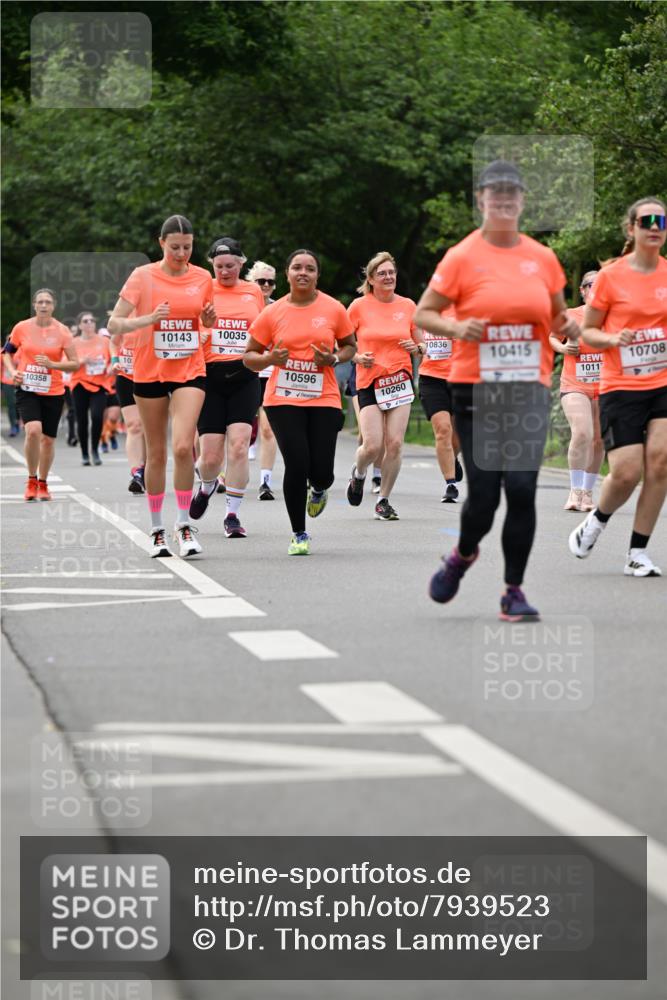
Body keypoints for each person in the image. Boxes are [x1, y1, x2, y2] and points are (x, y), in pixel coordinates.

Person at [414, 160, 579, 621]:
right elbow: (426, 314)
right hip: (475, 390)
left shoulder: (542, 258)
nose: (504, 200)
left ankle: (513, 591)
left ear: (523, 202)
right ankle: (463, 554)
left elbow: (558, 316)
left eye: (513, 193)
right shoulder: (462, 256)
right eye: (495, 192)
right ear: (482, 200)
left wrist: (579, 327)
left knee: (523, 489)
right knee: (484, 497)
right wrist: (455, 324)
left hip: (527, 389)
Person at [569, 197, 667, 577]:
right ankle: (597, 520)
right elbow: (589, 329)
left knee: (659, 463)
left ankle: (637, 553)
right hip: (621, 385)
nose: (655, 226)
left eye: (661, 220)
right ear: (632, 229)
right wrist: (611, 340)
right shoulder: (610, 277)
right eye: (647, 221)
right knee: (626, 472)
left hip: (661, 381)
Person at [107, 214, 215, 558]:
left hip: (189, 368)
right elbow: (114, 322)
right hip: (149, 370)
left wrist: (208, 322)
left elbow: (204, 320)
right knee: (156, 453)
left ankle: (183, 525)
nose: (181, 253)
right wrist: (148, 319)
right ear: (161, 244)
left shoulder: (203, 277)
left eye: (187, 247)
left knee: (183, 447)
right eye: (175, 248)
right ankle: (156, 530)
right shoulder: (143, 276)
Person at [243, 249, 356, 554]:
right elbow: (249, 357)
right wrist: (269, 357)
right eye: (297, 267)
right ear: (287, 273)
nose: (303, 272)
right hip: (282, 398)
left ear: (317, 275)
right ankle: (299, 534)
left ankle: (319, 489)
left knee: (322, 472)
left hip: (324, 397)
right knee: (296, 462)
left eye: (309, 268)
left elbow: (349, 346)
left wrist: (333, 358)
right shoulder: (272, 312)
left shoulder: (333, 308)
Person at [188, 237, 264, 537]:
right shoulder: (202, 290)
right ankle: (206, 485)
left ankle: (232, 515)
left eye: (230, 266)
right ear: (212, 266)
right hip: (209, 376)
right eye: (219, 266)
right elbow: (187, 328)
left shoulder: (253, 291)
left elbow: (261, 329)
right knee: (209, 457)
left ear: (241, 264)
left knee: (239, 445)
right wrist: (202, 334)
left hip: (244, 374)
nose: (225, 271)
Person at [345, 251, 424, 520]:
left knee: (395, 444)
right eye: (382, 273)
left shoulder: (408, 306)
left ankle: (383, 500)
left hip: (399, 381)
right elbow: (341, 342)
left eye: (391, 272)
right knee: (372, 446)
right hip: (369, 380)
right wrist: (356, 356)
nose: (388, 277)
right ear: (371, 279)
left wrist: (417, 347)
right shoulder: (358, 306)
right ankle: (358, 473)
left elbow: (421, 343)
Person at [3, 289, 79, 500]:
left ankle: (43, 483)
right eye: (40, 302)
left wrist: (53, 364)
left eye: (47, 302)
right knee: (33, 430)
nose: (43, 306)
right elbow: (7, 352)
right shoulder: (22, 328)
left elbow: (75, 363)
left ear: (53, 306)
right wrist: (13, 371)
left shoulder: (62, 331)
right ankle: (31, 479)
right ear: (34, 305)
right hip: (27, 388)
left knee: (47, 440)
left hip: (53, 390)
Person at [549, 270, 603, 512]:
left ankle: (588, 493)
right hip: (575, 384)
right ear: (583, 290)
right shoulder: (570, 315)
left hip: (606, 385)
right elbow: (552, 337)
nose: (597, 289)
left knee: (599, 440)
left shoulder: (614, 316)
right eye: (592, 285)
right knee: (582, 433)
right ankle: (575, 491)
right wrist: (563, 349)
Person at [418, 303, 464, 502]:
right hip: (431, 379)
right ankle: (450, 484)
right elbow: (414, 336)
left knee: (459, 433)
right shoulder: (426, 308)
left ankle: (451, 458)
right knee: (443, 430)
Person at [245, 260, 279, 500]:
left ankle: (265, 481)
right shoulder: (243, 307)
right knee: (239, 431)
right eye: (261, 281)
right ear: (251, 282)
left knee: (268, 430)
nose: (265, 285)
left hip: (269, 376)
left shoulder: (279, 309)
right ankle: (226, 474)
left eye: (270, 281)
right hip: (245, 374)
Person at [69, 311, 112, 466]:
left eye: (91, 320)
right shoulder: (73, 343)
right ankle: (85, 453)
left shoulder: (105, 341)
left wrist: (111, 367)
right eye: (85, 321)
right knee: (81, 420)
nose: (89, 323)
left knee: (97, 417)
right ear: (80, 325)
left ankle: (95, 449)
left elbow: (112, 358)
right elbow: (66, 366)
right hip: (79, 384)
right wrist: (82, 361)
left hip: (99, 385)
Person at [110, 329, 146, 493]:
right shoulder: (125, 315)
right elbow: (114, 341)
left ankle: (146, 468)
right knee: (134, 425)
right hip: (126, 377)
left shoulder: (156, 313)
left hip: (150, 377)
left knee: (148, 428)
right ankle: (136, 473)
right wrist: (115, 360)